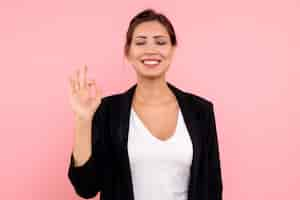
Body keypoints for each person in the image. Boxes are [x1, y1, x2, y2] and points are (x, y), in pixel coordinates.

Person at [67, 8, 223, 200]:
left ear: (172, 50)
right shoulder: (108, 111)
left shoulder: (200, 111)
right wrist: (83, 119)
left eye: (160, 42)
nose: (151, 50)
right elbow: (86, 187)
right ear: (128, 52)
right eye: (140, 42)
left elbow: (212, 189)